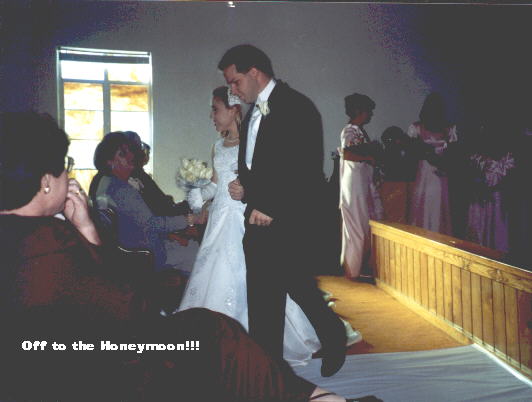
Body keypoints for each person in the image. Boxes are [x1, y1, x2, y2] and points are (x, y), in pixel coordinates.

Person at [0, 111, 371, 402]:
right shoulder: (48, 242)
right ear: (45, 182)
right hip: (98, 359)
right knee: (215, 333)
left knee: (215, 322)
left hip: (66, 351)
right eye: (64, 166)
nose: (69, 176)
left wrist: (85, 228)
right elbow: (125, 311)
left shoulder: (27, 235)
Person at [179, 86, 360, 366]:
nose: (211, 116)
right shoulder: (219, 145)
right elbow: (217, 183)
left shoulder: (260, 134)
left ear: (233, 110)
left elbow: (274, 175)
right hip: (222, 222)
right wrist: (196, 191)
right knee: (259, 283)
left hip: (254, 219)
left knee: (278, 282)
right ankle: (249, 350)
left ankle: (273, 349)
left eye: (215, 109)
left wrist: (249, 191)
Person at [220, 44, 347, 377]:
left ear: (254, 72)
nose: (233, 91)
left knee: (285, 289)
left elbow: (303, 168)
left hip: (287, 218)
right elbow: (261, 164)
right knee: (270, 296)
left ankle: (325, 337)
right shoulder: (253, 112)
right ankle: (270, 370)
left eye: (235, 82)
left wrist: (268, 204)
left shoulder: (297, 106)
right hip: (258, 216)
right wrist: (247, 188)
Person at [91, 132, 199, 273]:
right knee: (202, 255)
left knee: (195, 249)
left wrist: (173, 235)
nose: (130, 156)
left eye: (129, 151)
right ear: (109, 161)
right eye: (122, 154)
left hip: (142, 246)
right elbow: (152, 223)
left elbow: (142, 220)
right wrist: (189, 220)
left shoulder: (108, 183)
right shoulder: (121, 190)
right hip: (146, 254)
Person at [339, 93, 384, 280]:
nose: (370, 114)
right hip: (354, 185)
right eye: (368, 111)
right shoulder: (349, 131)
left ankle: (359, 268)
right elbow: (347, 153)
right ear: (359, 111)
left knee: (363, 227)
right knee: (356, 228)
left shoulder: (359, 132)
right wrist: (369, 156)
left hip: (361, 183)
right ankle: (353, 271)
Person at [407, 92, 457, 235]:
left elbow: (454, 154)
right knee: (422, 205)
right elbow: (411, 153)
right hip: (423, 173)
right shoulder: (416, 128)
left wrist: (443, 162)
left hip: (441, 174)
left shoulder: (449, 129)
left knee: (438, 206)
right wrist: (425, 153)